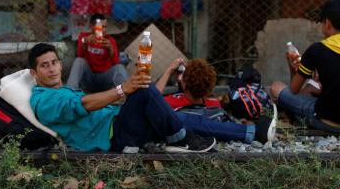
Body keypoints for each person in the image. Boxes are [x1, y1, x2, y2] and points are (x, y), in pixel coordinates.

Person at [28, 43, 216, 153]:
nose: (52, 69)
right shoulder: (43, 99)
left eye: (54, 63)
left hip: (120, 124)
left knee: (169, 109)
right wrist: (122, 89)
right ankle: (180, 139)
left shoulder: (64, 90)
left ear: (60, 65)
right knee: (146, 92)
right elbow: (81, 104)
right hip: (114, 137)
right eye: (45, 66)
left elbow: (153, 96)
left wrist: (129, 90)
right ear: (33, 73)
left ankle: (242, 134)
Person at [270, 0, 340, 131]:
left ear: (327, 23)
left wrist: (293, 68)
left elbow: (294, 90)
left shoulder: (317, 49)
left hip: (328, 122)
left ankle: (296, 118)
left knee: (276, 87)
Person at [156, 58, 276, 144]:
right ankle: (255, 130)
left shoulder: (172, 102)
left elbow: (154, 96)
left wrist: (169, 71)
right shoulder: (214, 105)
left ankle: (255, 131)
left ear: (185, 83)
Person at [66, 13, 127, 93]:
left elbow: (115, 62)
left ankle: (127, 94)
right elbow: (80, 55)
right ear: (92, 27)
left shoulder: (110, 40)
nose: (104, 30)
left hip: (105, 79)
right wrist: (84, 42)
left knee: (119, 67)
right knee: (79, 61)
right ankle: (69, 93)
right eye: (101, 27)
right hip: (89, 78)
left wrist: (110, 48)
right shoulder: (84, 37)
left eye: (105, 27)